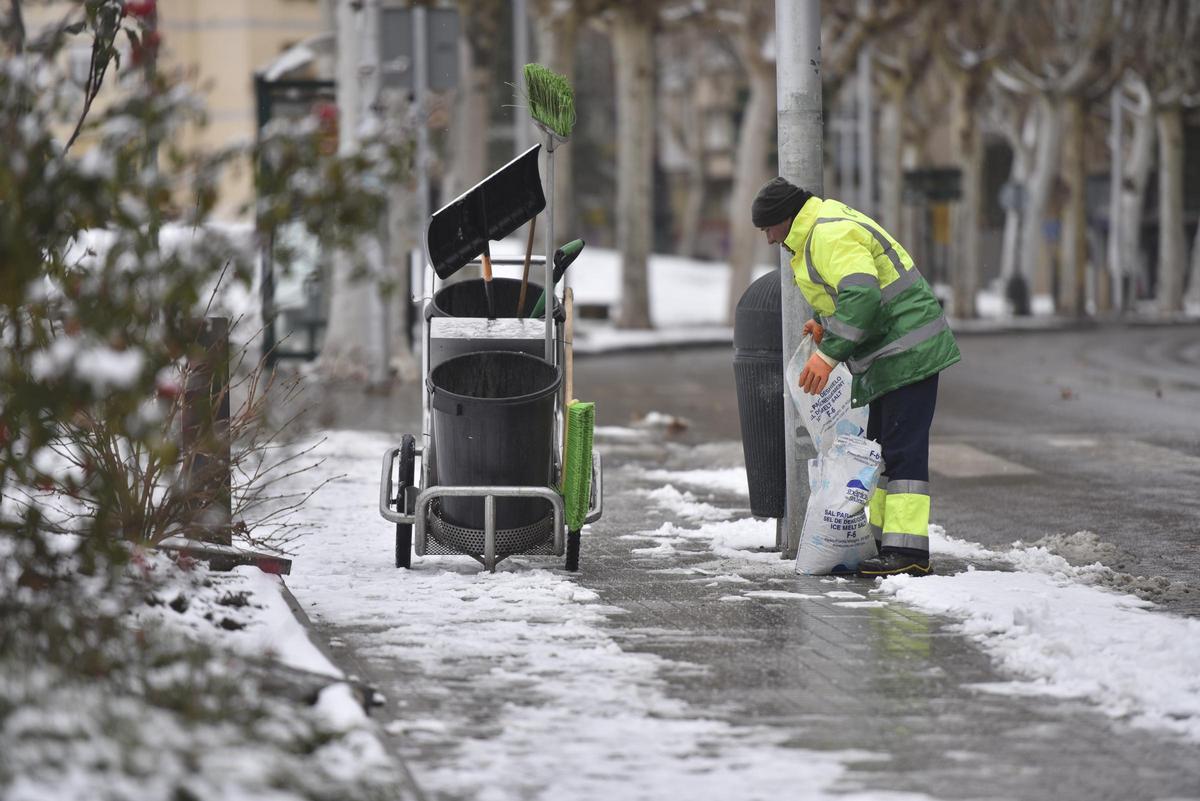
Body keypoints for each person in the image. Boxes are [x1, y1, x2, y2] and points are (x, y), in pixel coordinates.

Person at [752, 177, 960, 577]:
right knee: (881, 452)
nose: (768, 240)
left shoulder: (828, 234)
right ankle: (887, 544)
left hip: (907, 353)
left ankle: (909, 553)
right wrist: (825, 326)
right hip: (894, 353)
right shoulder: (820, 229)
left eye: (768, 229)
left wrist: (827, 356)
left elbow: (863, 297)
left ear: (784, 219)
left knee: (902, 452)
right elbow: (855, 295)